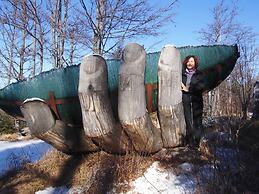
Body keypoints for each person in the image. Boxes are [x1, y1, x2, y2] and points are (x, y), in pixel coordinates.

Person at [181, 55, 205, 146]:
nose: (189, 63)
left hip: (197, 99)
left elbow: (201, 87)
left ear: (195, 63)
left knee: (197, 121)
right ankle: (189, 141)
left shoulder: (199, 74)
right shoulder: (182, 74)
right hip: (185, 99)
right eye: (188, 61)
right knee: (188, 120)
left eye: (191, 61)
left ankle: (196, 143)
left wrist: (188, 89)